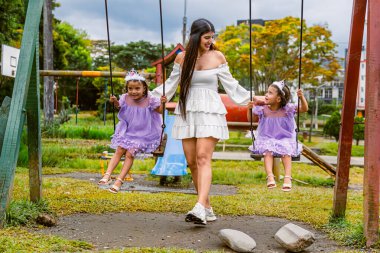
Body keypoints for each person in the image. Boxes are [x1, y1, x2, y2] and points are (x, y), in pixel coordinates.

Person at [152, 18, 259, 225]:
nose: (211, 41)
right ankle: (207, 207)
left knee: (203, 157)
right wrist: (150, 97)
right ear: (196, 36)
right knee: (192, 162)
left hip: (210, 110)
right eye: (207, 37)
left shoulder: (217, 56)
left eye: (212, 37)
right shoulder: (182, 59)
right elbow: (170, 84)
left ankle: (199, 207)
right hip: (188, 110)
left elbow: (232, 86)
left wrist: (253, 99)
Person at [98, 69, 167, 193]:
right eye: (130, 89)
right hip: (129, 131)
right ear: (127, 89)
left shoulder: (150, 99)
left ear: (144, 89)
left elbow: (160, 111)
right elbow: (120, 107)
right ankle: (107, 175)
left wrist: (162, 104)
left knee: (130, 153)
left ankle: (119, 181)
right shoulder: (125, 98)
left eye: (137, 89)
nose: (133, 92)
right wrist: (115, 102)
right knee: (119, 149)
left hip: (144, 134)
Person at [247, 80, 308, 192]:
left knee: (286, 152)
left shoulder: (287, 109)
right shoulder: (263, 109)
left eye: (270, 93)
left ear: (278, 99)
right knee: (268, 152)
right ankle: (270, 177)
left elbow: (304, 109)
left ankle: (287, 178)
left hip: (285, 138)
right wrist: (249, 109)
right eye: (267, 92)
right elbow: (251, 120)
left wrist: (301, 97)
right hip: (267, 138)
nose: (266, 94)